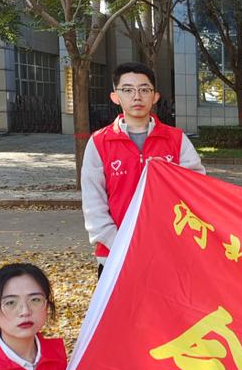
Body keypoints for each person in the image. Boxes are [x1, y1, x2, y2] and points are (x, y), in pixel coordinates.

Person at [82, 61, 206, 274]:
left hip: (169, 254)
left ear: (155, 96)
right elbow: (94, 206)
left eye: (144, 90)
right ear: (115, 96)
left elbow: (197, 191)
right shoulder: (99, 142)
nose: (137, 96)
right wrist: (121, 245)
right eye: (127, 90)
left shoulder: (176, 140)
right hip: (115, 256)